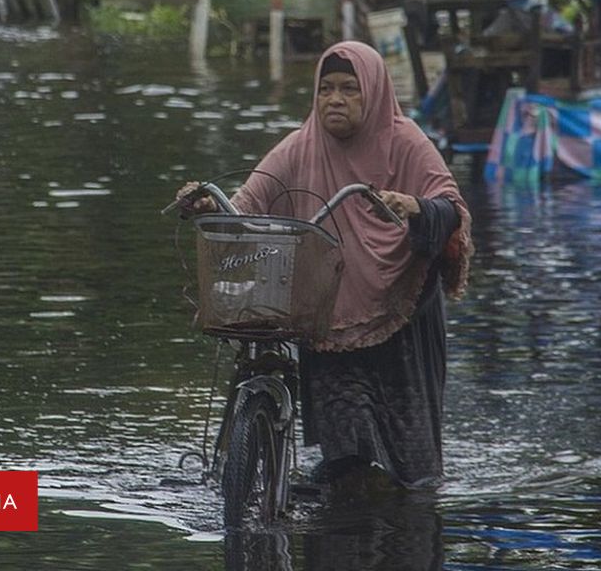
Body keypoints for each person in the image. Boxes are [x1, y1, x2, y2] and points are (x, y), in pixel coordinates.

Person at [176, 41, 473, 492]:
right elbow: (248, 205)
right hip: (329, 317)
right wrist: (206, 206)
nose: (335, 99)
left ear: (372, 93)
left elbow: (451, 208)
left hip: (403, 316)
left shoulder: (406, 142)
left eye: (350, 89)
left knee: (413, 473)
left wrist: (412, 205)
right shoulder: (300, 147)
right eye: (326, 89)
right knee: (345, 460)